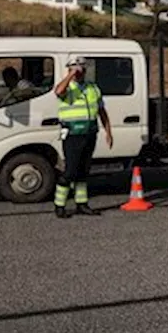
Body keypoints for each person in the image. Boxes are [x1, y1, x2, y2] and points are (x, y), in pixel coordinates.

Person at [53, 57, 112, 218]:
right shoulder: (68, 87)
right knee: (70, 171)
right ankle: (59, 205)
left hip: (90, 133)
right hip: (72, 135)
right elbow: (58, 91)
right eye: (75, 69)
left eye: (81, 69)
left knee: (83, 171)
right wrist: (71, 75)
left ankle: (82, 204)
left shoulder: (93, 88)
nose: (79, 72)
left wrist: (108, 131)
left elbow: (101, 110)